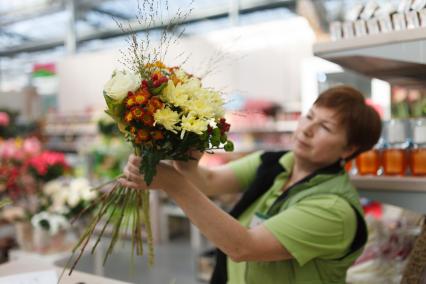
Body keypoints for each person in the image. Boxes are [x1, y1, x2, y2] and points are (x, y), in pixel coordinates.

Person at [119, 85, 382, 284]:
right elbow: (209, 181)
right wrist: (185, 162)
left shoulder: (333, 210)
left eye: (324, 127)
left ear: (349, 148)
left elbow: (243, 247)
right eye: (309, 116)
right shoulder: (276, 162)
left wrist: (174, 184)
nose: (307, 129)